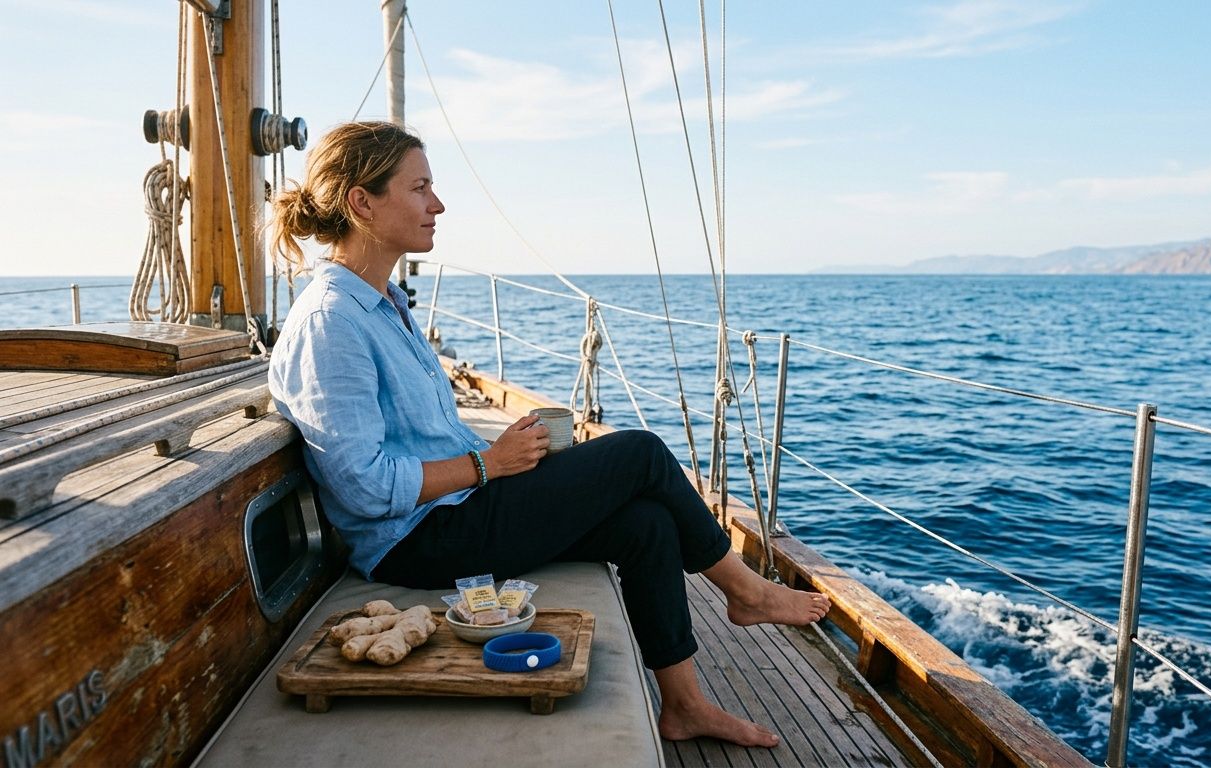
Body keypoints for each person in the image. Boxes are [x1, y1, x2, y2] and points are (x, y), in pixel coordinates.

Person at [267, 121, 830, 748]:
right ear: (361, 202)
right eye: (420, 187)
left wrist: (504, 454)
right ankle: (747, 592)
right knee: (641, 453)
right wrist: (487, 464)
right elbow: (362, 485)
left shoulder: (385, 304)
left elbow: (410, 443)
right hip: (416, 540)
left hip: (454, 509)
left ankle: (685, 706)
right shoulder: (332, 323)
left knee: (647, 524)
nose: (438, 204)